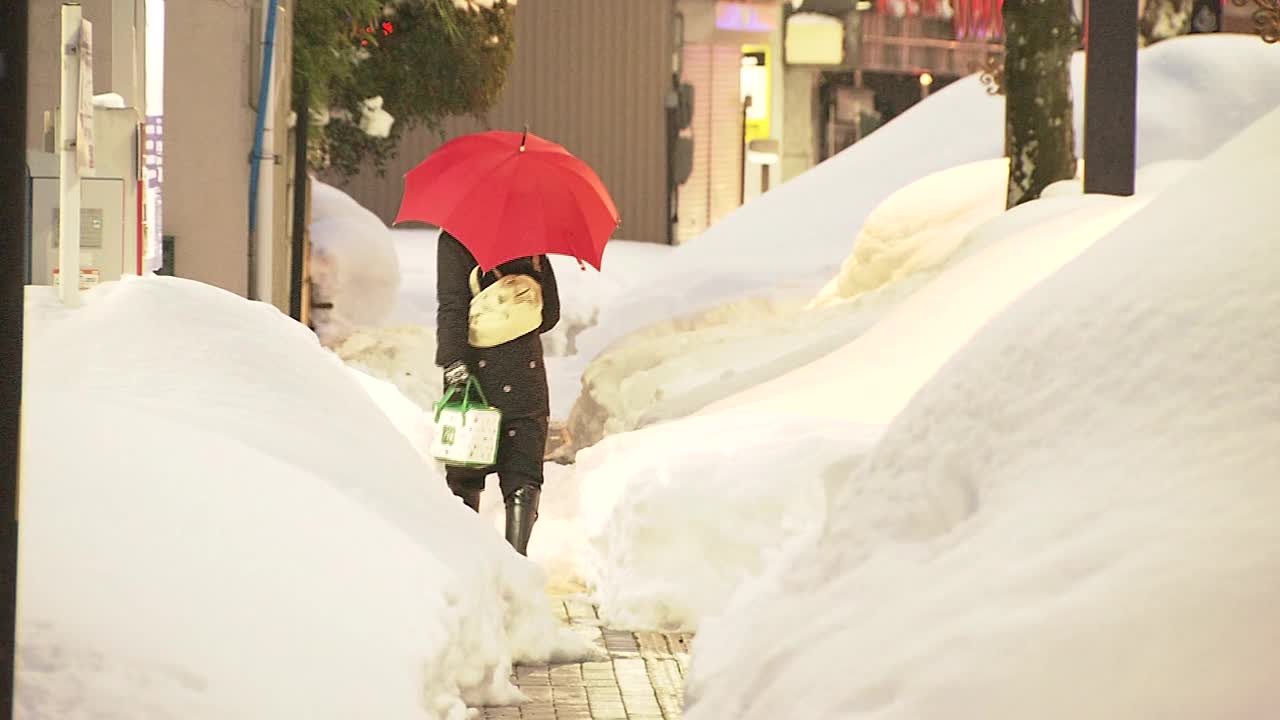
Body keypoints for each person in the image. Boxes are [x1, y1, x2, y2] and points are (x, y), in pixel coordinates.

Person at [435, 230, 560, 555]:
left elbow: (451, 307)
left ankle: (464, 557)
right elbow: (550, 315)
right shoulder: (532, 238)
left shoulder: (455, 238)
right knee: (523, 469)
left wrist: (453, 362)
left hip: (474, 370)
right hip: (524, 368)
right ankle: (516, 558)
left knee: (465, 468)